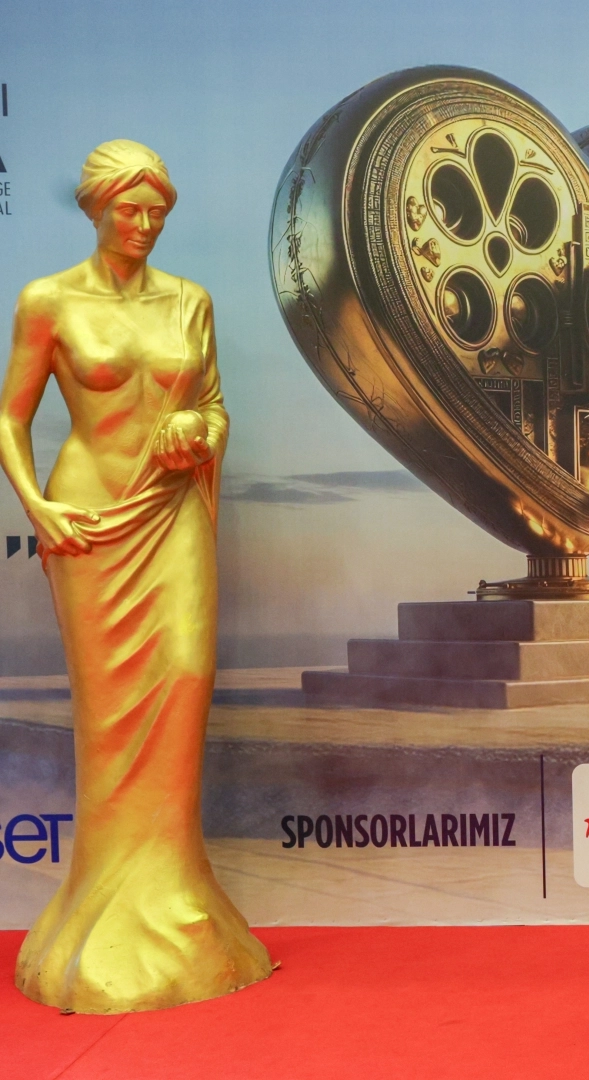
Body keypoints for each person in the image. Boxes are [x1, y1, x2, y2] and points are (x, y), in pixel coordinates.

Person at [0, 141, 272, 1012]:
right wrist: (38, 508)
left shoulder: (191, 301)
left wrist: (199, 431)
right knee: (106, 717)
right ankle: (104, 911)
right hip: (88, 521)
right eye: (130, 209)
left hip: (172, 508)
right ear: (97, 209)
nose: (145, 224)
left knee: (186, 674)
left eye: (158, 211)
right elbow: (10, 419)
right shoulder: (48, 300)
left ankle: (178, 897)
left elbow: (214, 404)